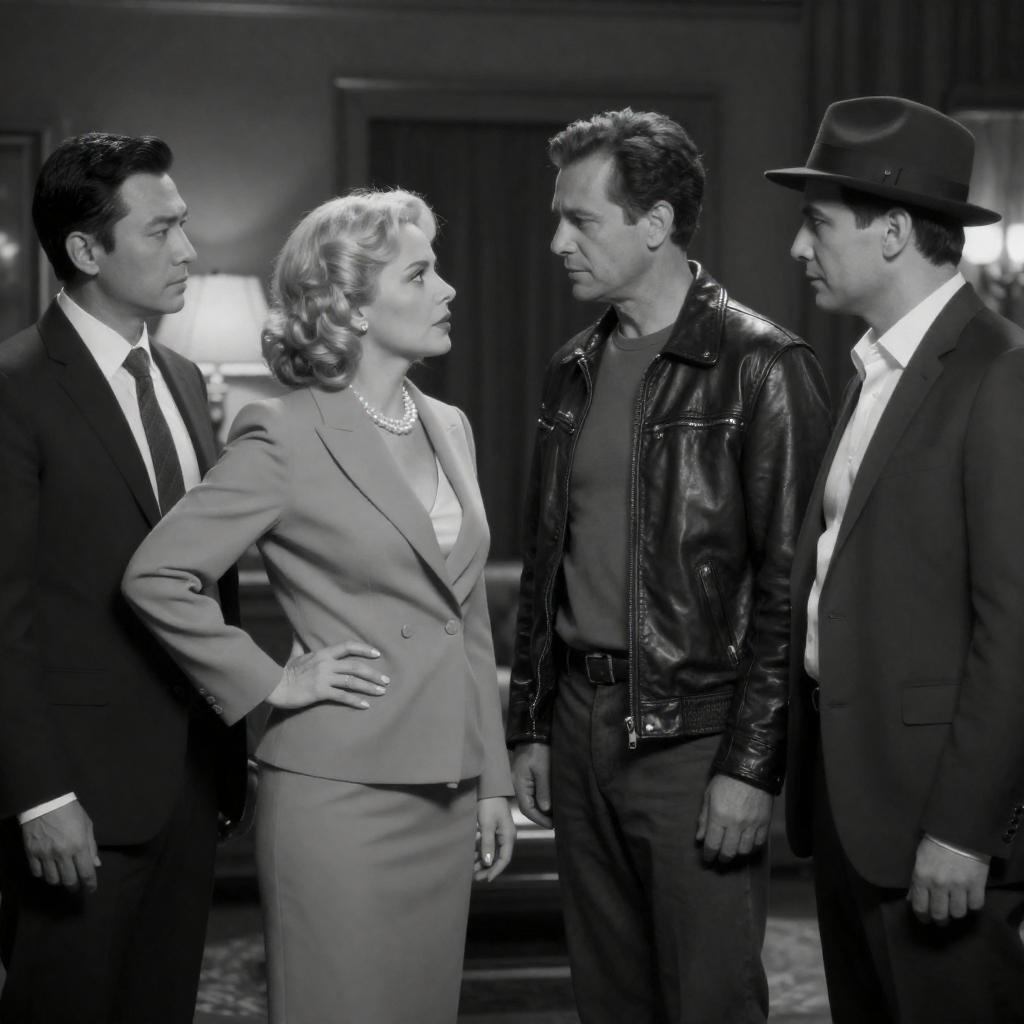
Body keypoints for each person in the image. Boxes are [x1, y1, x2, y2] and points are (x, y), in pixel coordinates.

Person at [122, 188, 516, 1024]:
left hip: (448, 794)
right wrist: (271, 683)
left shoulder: (451, 425)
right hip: (339, 797)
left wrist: (492, 780)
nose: (448, 289)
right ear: (355, 305)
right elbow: (158, 575)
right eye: (420, 274)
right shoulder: (282, 432)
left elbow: (468, 618)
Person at [506, 108, 831, 1023]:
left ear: (655, 224)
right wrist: (531, 725)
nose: (558, 242)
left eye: (581, 220)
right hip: (579, 722)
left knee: (708, 999)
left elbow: (790, 589)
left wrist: (751, 767)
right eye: (558, 219)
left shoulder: (763, 366)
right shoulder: (571, 368)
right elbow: (546, 563)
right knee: (608, 997)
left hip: (695, 735)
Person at [765, 95, 1024, 1023]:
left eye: (818, 223)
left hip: (934, 822)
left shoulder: (998, 370)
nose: (798, 247)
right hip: (851, 804)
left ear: (894, 232)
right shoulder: (874, 369)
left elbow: (1014, 628)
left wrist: (963, 830)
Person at [0, 132, 246, 1023]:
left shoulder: (182, 377)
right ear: (85, 249)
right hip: (74, 799)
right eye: (161, 230)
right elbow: (3, 614)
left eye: (184, 224)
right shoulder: (15, 386)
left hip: (191, 785)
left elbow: (207, 586)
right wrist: (40, 796)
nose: (188, 250)